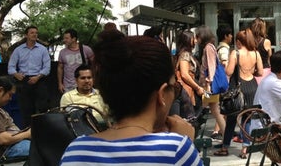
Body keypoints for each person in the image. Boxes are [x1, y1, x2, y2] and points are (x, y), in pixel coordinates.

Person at [60, 32, 202, 165]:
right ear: (162, 93)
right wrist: (187, 144)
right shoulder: (176, 149)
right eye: (175, 88)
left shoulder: (76, 151)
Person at [215, 29, 261, 158]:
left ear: (239, 41)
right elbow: (261, 72)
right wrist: (250, 71)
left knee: (231, 118)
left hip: (237, 87)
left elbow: (229, 72)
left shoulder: (235, 53)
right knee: (247, 119)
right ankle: (245, 149)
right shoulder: (256, 53)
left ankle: (225, 147)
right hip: (252, 86)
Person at [7, 26, 51, 127]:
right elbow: (11, 67)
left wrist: (38, 77)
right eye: (32, 33)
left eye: (36, 33)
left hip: (39, 79)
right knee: (26, 108)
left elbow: (47, 67)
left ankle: (43, 129)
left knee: (42, 106)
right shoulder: (18, 50)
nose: (35, 34)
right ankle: (28, 131)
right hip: (24, 80)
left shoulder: (42, 49)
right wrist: (16, 74)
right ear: (26, 35)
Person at [196, 25, 226, 143]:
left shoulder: (208, 47)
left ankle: (194, 134)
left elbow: (211, 65)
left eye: (197, 37)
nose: (196, 40)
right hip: (210, 85)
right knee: (215, 111)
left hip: (209, 86)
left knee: (200, 109)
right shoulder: (211, 46)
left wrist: (209, 80)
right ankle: (225, 137)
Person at [57, 28, 94, 93]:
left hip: (84, 84)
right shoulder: (62, 52)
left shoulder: (86, 49)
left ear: (73, 39)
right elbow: (60, 68)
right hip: (68, 86)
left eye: (66, 38)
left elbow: (94, 64)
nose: (64, 40)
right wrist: (60, 83)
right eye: (64, 38)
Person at [251, 17, 272, 84]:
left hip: (252, 71)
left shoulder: (249, 41)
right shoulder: (267, 42)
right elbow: (270, 58)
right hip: (265, 71)